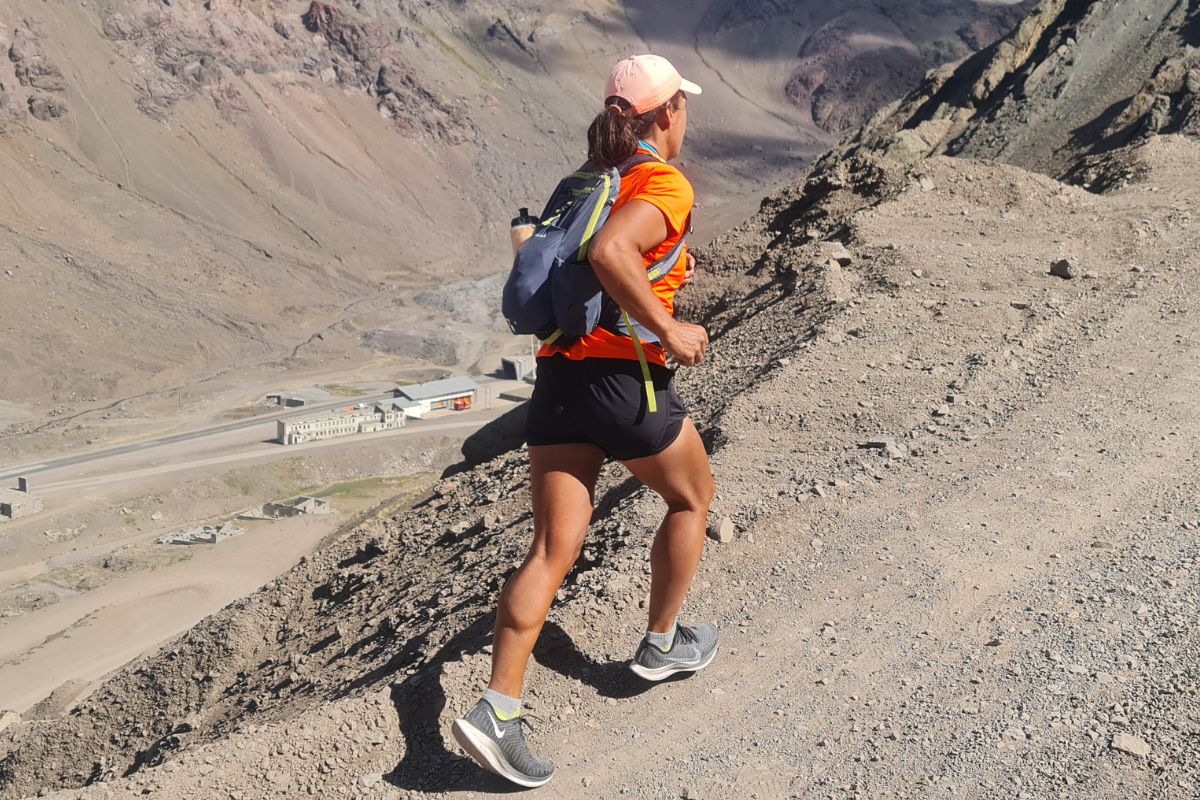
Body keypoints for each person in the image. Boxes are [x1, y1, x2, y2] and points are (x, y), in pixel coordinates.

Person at [452, 54, 717, 788]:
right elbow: (609, 253)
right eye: (682, 107)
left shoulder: (583, 184)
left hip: (557, 380)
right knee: (692, 497)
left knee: (551, 546)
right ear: (665, 114)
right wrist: (670, 331)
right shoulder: (659, 183)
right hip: (621, 381)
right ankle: (662, 644)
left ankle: (498, 711)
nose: (685, 119)